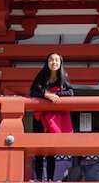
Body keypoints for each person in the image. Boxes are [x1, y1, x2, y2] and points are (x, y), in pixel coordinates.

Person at [30, 52, 74, 181]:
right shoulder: (42, 75)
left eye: (56, 60)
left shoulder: (63, 76)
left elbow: (71, 92)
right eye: (51, 60)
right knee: (38, 149)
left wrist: (56, 96)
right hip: (40, 115)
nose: (54, 62)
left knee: (50, 150)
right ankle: (38, 179)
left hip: (55, 117)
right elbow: (33, 92)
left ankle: (50, 179)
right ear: (47, 62)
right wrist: (46, 95)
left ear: (60, 63)